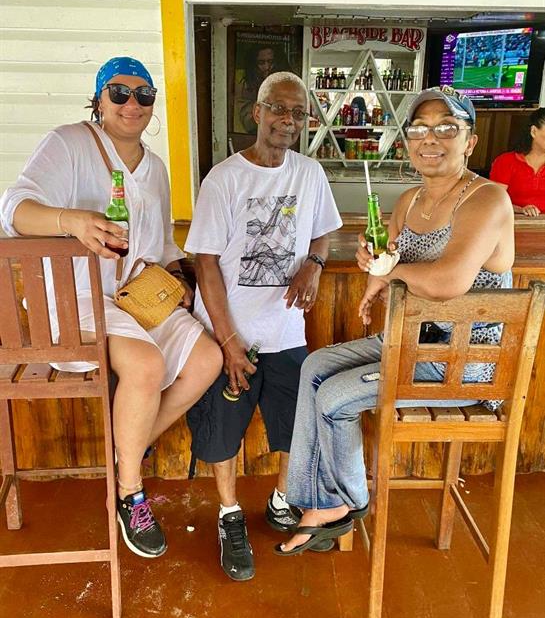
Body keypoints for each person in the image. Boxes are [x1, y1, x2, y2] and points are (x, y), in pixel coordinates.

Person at [0, 56, 222, 559]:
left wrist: (180, 274)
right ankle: (129, 492)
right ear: (98, 99)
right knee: (146, 365)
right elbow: (13, 208)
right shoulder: (69, 143)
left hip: (134, 297)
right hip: (76, 297)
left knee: (206, 359)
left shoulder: (156, 168)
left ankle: (128, 451)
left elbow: (160, 244)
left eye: (144, 95)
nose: (132, 103)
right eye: (119, 92)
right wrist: (71, 221)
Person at [278, 85, 514, 555]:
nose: (431, 138)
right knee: (314, 367)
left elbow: (447, 280)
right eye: (419, 129)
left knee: (336, 397)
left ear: (470, 141)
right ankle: (319, 501)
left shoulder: (488, 199)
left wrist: (389, 272)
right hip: (408, 342)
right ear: (408, 141)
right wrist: (374, 269)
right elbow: (387, 258)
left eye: (447, 127)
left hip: (462, 364)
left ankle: (344, 503)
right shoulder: (408, 200)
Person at [184, 71, 343, 580]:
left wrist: (314, 264)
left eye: (297, 112)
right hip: (227, 336)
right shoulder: (224, 179)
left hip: (286, 334)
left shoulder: (310, 174)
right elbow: (205, 262)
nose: (287, 120)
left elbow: (323, 235)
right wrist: (228, 341)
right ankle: (229, 514)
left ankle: (280, 499)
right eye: (278, 108)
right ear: (256, 112)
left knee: (295, 427)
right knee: (221, 432)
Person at [490, 107, 545, 216]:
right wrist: (520, 209)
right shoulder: (506, 161)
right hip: (511, 221)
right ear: (533, 131)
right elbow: (494, 200)